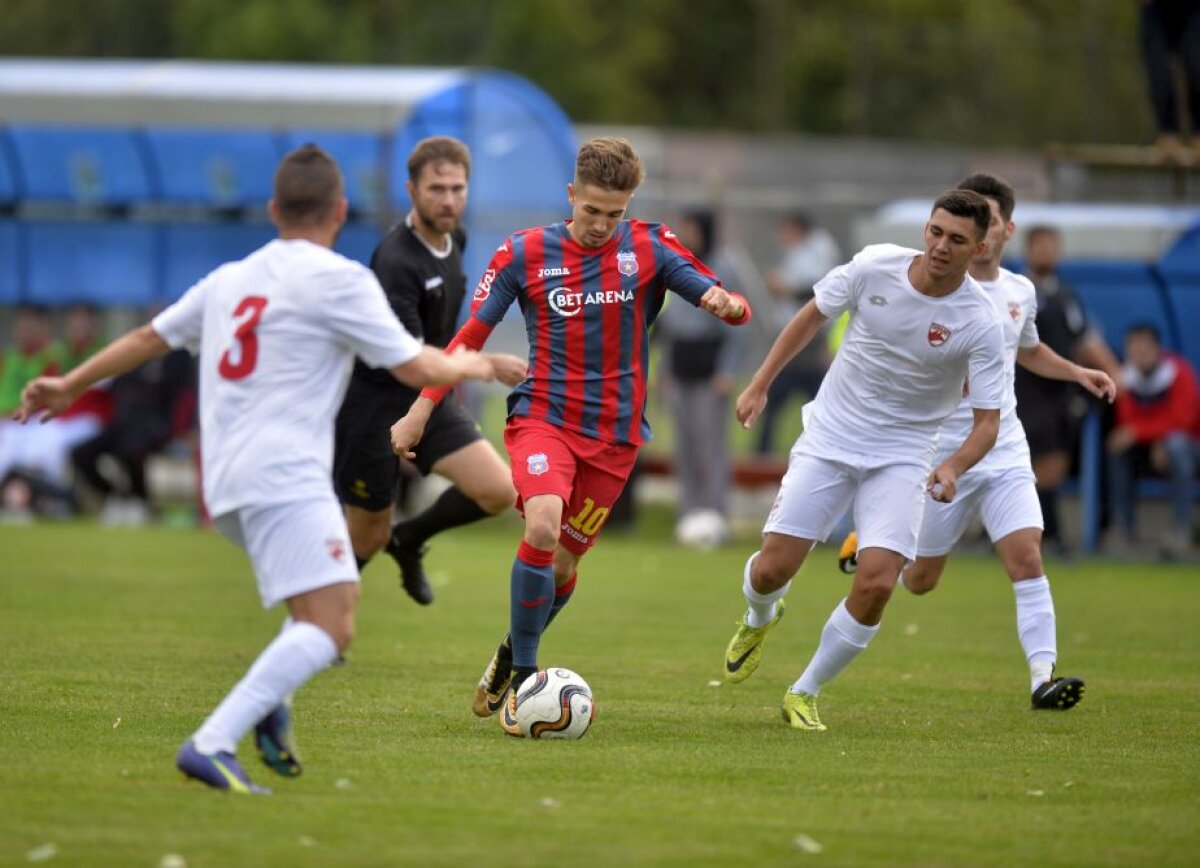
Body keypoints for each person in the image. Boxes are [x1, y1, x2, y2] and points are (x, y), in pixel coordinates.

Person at [14, 144, 495, 794]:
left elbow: (147, 337)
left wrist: (69, 382)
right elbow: (418, 367)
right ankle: (211, 742)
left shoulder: (229, 278)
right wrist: (481, 365)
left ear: (274, 210)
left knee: (315, 615)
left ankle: (269, 709)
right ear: (340, 210)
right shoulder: (339, 279)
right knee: (333, 625)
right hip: (285, 477)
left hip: (227, 482)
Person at [393, 136, 752, 736]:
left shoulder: (650, 245)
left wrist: (727, 305)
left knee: (560, 567)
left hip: (615, 437)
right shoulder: (524, 253)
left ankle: (514, 648)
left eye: (614, 213)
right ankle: (530, 682)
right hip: (544, 419)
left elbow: (720, 294)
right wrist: (420, 410)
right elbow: (469, 339)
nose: (600, 225)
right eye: (591, 211)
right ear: (571, 196)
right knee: (541, 523)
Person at [721, 189, 1007, 732]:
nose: (941, 247)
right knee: (772, 569)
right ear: (926, 229)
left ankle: (805, 692)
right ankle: (760, 615)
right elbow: (810, 316)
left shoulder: (980, 322)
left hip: (904, 454)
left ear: (979, 248)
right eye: (936, 232)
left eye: (957, 240)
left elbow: (987, 422)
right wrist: (760, 384)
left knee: (877, 582)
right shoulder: (875, 266)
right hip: (830, 437)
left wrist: (952, 467)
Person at [840, 174, 1116, 711]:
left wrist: (1078, 371)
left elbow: (1028, 349)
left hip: (1003, 445)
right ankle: (869, 541)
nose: (980, 234)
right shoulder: (936, 289)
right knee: (920, 580)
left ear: (1004, 228)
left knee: (1026, 556)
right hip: (944, 451)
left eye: (988, 222)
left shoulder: (1019, 292)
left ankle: (1042, 679)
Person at [334, 136, 525, 606]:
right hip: (376, 407)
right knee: (366, 536)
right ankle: (314, 625)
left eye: (458, 188)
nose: (449, 199)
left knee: (499, 491)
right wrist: (483, 365)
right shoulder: (397, 261)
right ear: (412, 190)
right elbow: (408, 360)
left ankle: (410, 538)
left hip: (429, 392)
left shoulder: (453, 239)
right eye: (437, 188)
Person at [1014, 225, 1123, 557]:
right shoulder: (1017, 290)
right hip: (1023, 391)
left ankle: (1046, 534)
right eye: (1040, 246)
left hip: (1058, 392)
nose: (1046, 252)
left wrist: (1113, 374)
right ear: (1027, 250)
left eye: (1052, 246)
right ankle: (1042, 536)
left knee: (1053, 464)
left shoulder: (1064, 294)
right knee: (1029, 467)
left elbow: (1084, 339)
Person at [654, 209, 744, 543]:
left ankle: (716, 517)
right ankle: (688, 516)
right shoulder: (678, 263)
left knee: (711, 447)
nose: (687, 233)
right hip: (680, 369)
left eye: (692, 228)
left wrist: (727, 370)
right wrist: (664, 370)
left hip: (709, 372)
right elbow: (670, 325)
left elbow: (736, 329)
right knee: (685, 447)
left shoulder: (724, 266)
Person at [1107, 322, 1199, 557]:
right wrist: (1144, 435)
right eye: (1133, 350)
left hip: (1187, 452)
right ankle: (1122, 530)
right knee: (1117, 448)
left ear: (1158, 349)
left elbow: (1183, 420)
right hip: (1146, 453)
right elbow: (1126, 421)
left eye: (1144, 350)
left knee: (1176, 444)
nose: (1139, 357)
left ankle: (1182, 530)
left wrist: (1148, 435)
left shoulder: (1179, 373)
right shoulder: (1125, 379)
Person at [754, 213, 841, 455]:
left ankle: (823, 452)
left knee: (816, 402)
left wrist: (785, 288)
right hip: (796, 339)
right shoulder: (797, 253)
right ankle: (762, 457)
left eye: (785, 230)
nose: (781, 237)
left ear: (797, 229)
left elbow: (817, 293)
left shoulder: (818, 249)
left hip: (810, 344)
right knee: (774, 401)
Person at [1140, 0, 1200, 162]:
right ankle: (1168, 134)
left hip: (1192, 9)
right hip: (1155, 10)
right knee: (1159, 73)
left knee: (1196, 65)